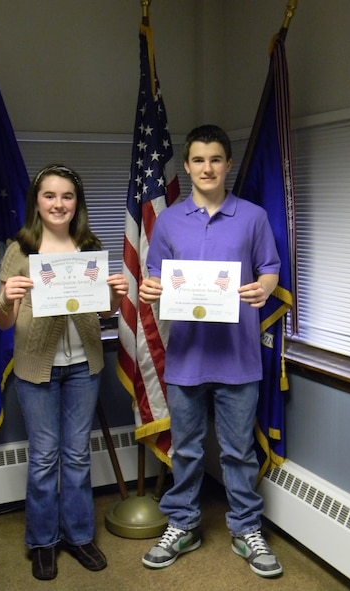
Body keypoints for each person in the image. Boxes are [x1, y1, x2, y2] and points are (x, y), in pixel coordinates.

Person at [139, 125, 283, 578]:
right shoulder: (168, 221)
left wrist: (263, 289)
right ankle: (182, 524)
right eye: (199, 160)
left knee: (239, 452)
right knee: (187, 449)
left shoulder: (253, 217)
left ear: (228, 164)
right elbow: (154, 277)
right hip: (186, 357)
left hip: (239, 358)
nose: (207, 168)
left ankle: (246, 529)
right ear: (186, 165)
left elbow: (270, 269)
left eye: (216, 159)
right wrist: (149, 288)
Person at [0, 164, 129, 581]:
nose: (58, 203)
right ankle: (42, 542)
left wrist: (116, 295)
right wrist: (7, 299)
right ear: (37, 201)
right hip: (37, 368)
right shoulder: (20, 249)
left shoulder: (89, 245)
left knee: (76, 455)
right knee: (45, 457)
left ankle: (78, 535)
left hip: (84, 366)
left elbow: (106, 312)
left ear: (77, 203)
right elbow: (0, 322)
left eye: (67, 196)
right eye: (49, 195)